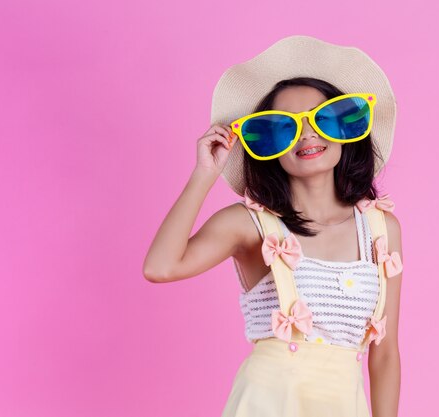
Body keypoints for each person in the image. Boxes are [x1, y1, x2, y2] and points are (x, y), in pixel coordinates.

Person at [143, 35, 402, 417]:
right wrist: (205, 174)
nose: (307, 134)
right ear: (267, 144)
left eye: (323, 119)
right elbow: (160, 267)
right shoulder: (249, 225)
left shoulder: (381, 228)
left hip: (343, 405)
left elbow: (386, 353)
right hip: (266, 403)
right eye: (285, 127)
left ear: (348, 129)